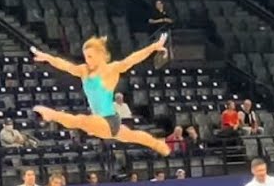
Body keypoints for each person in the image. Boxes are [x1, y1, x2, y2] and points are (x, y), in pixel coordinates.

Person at [30, 34, 171, 156]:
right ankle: (156, 143)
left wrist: (152, 48)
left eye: (90, 56)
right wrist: (48, 57)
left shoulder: (111, 70)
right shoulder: (83, 70)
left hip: (109, 120)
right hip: (98, 121)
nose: (87, 60)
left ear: (101, 55)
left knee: (80, 120)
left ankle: (52, 115)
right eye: (85, 57)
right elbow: (65, 65)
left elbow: (132, 59)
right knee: (131, 136)